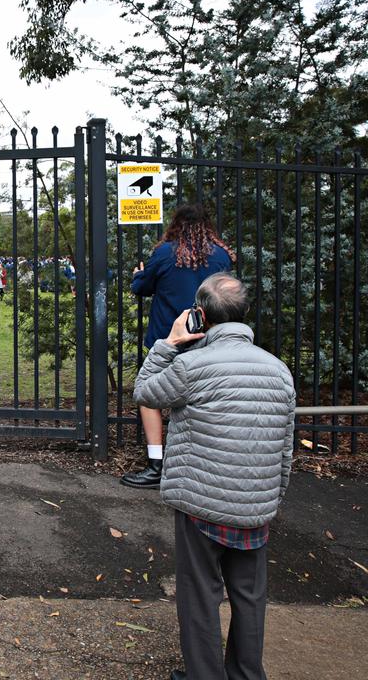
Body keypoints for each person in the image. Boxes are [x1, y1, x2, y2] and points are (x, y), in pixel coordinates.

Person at [133, 274, 295, 680]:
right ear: (243, 314)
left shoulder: (192, 365)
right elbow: (286, 449)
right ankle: (245, 672)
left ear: (200, 316)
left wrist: (168, 344)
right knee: (250, 595)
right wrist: (271, 498)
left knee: (200, 593)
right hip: (257, 503)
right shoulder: (279, 372)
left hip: (201, 503)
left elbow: (146, 392)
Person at [122, 203, 235, 489]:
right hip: (209, 339)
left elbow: (141, 288)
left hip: (168, 337)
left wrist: (138, 274)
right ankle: (199, 463)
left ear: (175, 225)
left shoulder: (164, 253)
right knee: (202, 399)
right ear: (208, 225)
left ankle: (156, 464)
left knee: (149, 395)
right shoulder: (221, 256)